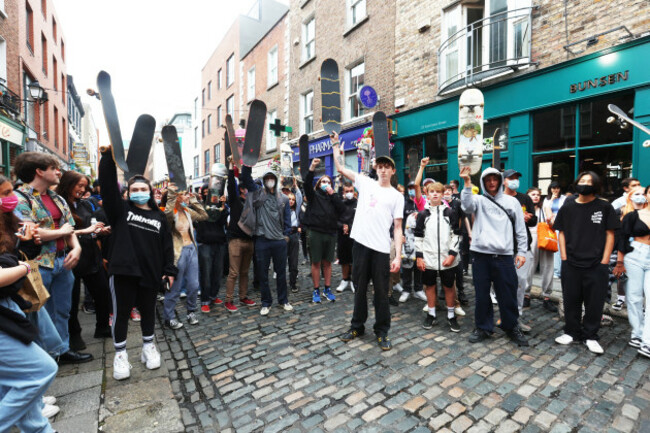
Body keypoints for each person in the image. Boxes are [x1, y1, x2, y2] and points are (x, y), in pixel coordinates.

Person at [98, 148, 177, 380]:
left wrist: (169, 271)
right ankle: (120, 355)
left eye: (144, 189)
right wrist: (107, 159)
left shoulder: (159, 216)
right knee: (121, 314)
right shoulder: (121, 211)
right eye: (135, 189)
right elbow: (109, 187)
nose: (139, 192)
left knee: (148, 312)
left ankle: (148, 347)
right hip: (123, 272)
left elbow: (167, 246)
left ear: (150, 192)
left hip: (151, 274)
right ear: (128, 193)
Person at [13, 152, 91, 364]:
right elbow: (32, 233)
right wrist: (61, 232)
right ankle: (44, 357)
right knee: (40, 314)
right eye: (54, 168)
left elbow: (70, 229)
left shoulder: (57, 198)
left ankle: (62, 350)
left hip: (63, 261)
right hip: (38, 265)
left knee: (63, 311)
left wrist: (76, 249)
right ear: (39, 171)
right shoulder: (19, 199)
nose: (59, 172)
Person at [333, 133, 404, 351]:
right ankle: (357, 326)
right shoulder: (365, 183)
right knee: (360, 289)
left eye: (387, 167)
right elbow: (341, 169)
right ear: (376, 169)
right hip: (361, 246)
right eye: (380, 166)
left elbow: (398, 227)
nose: (383, 170)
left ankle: (382, 331)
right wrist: (336, 145)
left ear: (392, 171)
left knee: (382, 293)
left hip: (381, 249)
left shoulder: (396, 196)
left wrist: (398, 255)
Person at [0, 174, 59, 433]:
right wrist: (24, 268)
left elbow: (12, 256)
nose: (9, 198)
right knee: (40, 370)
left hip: (9, 306)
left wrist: (26, 246)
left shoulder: (7, 223)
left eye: (9, 191)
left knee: (12, 385)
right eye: (3, 194)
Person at [460, 166, 529, 347]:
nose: (491, 182)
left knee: (508, 294)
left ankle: (511, 325)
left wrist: (521, 252)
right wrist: (467, 182)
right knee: (482, 295)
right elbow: (466, 206)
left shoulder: (511, 202)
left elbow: (520, 229)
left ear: (500, 180)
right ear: (483, 182)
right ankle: (483, 327)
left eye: (495, 179)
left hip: (504, 255)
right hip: (480, 255)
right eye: (488, 179)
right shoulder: (479, 200)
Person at [553, 171, 619, 354]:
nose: (585, 184)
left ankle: (590, 335)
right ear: (576, 183)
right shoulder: (567, 207)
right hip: (571, 263)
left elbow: (610, 234)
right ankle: (571, 331)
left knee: (594, 302)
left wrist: (605, 261)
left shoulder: (604, 207)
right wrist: (564, 258)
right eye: (582, 180)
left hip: (597, 264)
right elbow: (562, 233)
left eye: (589, 181)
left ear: (596, 185)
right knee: (571, 299)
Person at [56, 171, 112, 351]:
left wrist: (99, 232)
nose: (81, 190)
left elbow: (91, 228)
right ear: (67, 183)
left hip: (90, 255)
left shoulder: (86, 205)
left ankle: (102, 327)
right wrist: (86, 232)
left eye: (84, 186)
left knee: (103, 293)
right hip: (70, 257)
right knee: (71, 302)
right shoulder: (59, 205)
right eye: (78, 185)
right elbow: (63, 233)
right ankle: (74, 335)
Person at [238, 163, 293, 315]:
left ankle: (283, 300)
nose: (269, 180)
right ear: (264, 180)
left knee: (281, 272)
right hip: (262, 240)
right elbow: (247, 179)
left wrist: (286, 235)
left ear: (275, 180)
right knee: (262, 273)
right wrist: (247, 162)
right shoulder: (258, 194)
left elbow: (287, 220)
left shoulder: (283, 199)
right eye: (267, 178)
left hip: (279, 241)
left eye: (271, 178)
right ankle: (266, 302)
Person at [415, 181, 461, 332]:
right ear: (427, 194)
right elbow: (418, 237)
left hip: (447, 259)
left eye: (438, 192)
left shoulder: (450, 213)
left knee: (449, 287)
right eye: (431, 192)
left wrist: (452, 254)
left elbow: (456, 235)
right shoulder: (423, 214)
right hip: (429, 258)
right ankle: (432, 314)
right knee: (430, 286)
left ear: (443, 194)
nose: (435, 194)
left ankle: (451, 315)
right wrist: (419, 257)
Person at [301, 159, 346, 303]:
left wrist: (333, 194)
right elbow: (307, 184)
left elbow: (342, 209)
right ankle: (316, 290)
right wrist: (312, 167)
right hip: (316, 232)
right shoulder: (314, 196)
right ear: (319, 184)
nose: (326, 183)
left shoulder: (334, 197)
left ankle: (327, 288)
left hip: (330, 232)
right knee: (316, 262)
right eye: (323, 182)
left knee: (328, 263)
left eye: (328, 181)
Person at [163, 185, 208, 328]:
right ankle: (169, 317)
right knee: (174, 288)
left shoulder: (187, 211)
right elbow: (168, 212)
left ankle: (191, 312)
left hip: (191, 250)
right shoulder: (171, 213)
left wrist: (194, 199)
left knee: (194, 285)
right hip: (178, 253)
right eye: (185, 194)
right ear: (177, 197)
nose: (188, 196)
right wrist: (171, 192)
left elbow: (204, 215)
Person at [502, 169, 540, 331]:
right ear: (503, 181)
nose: (514, 181)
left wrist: (529, 218)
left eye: (516, 178)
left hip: (521, 249)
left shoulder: (524, 198)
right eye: (511, 178)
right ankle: (504, 316)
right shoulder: (498, 198)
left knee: (520, 283)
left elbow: (533, 222)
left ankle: (515, 318)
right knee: (503, 284)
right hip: (502, 248)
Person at [614, 186, 650, 356]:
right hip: (635, 254)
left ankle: (647, 341)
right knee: (634, 297)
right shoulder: (632, 216)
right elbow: (621, 238)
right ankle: (637, 333)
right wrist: (620, 263)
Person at [223, 159, 256, 312]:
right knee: (234, 272)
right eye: (244, 189)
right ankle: (228, 300)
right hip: (235, 241)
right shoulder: (235, 201)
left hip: (249, 241)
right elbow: (231, 186)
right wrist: (231, 167)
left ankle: (243, 296)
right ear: (241, 190)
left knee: (244, 272)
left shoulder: (252, 203)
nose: (246, 191)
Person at [195, 185, 229, 313]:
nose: (206, 194)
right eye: (204, 192)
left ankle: (213, 296)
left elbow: (223, 221)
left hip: (219, 242)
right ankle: (205, 300)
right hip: (205, 244)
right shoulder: (200, 207)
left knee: (217, 272)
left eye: (208, 192)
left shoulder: (219, 207)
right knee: (206, 273)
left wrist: (223, 206)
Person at [525, 187, 556, 312]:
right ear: (528, 196)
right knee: (529, 266)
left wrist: (551, 221)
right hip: (531, 236)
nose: (536, 196)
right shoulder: (524, 208)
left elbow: (553, 223)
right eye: (533, 194)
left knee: (548, 266)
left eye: (538, 194)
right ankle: (526, 295)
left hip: (545, 237)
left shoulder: (545, 207)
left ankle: (547, 298)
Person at [281, 178, 303, 294]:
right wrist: (280, 184)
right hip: (284, 235)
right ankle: (282, 283)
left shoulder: (296, 210)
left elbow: (299, 196)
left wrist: (295, 185)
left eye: (292, 200)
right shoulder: (282, 208)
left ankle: (293, 283)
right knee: (282, 261)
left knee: (293, 262)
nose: (291, 201)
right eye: (289, 199)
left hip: (294, 235)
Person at [336, 181, 357, 293]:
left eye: (351, 191)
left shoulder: (358, 204)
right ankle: (345, 279)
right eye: (347, 191)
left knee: (354, 259)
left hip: (355, 236)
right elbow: (335, 220)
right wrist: (341, 226)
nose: (349, 193)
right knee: (343, 259)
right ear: (343, 192)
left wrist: (350, 226)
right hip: (342, 236)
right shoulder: (340, 204)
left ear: (354, 192)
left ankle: (353, 280)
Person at [543, 181, 566, 278]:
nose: (555, 190)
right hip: (550, 226)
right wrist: (552, 199)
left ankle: (559, 272)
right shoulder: (547, 199)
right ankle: (555, 271)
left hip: (561, 225)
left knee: (561, 249)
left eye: (557, 188)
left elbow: (565, 211)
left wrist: (556, 215)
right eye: (553, 188)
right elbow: (545, 210)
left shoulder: (564, 198)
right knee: (552, 249)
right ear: (550, 189)